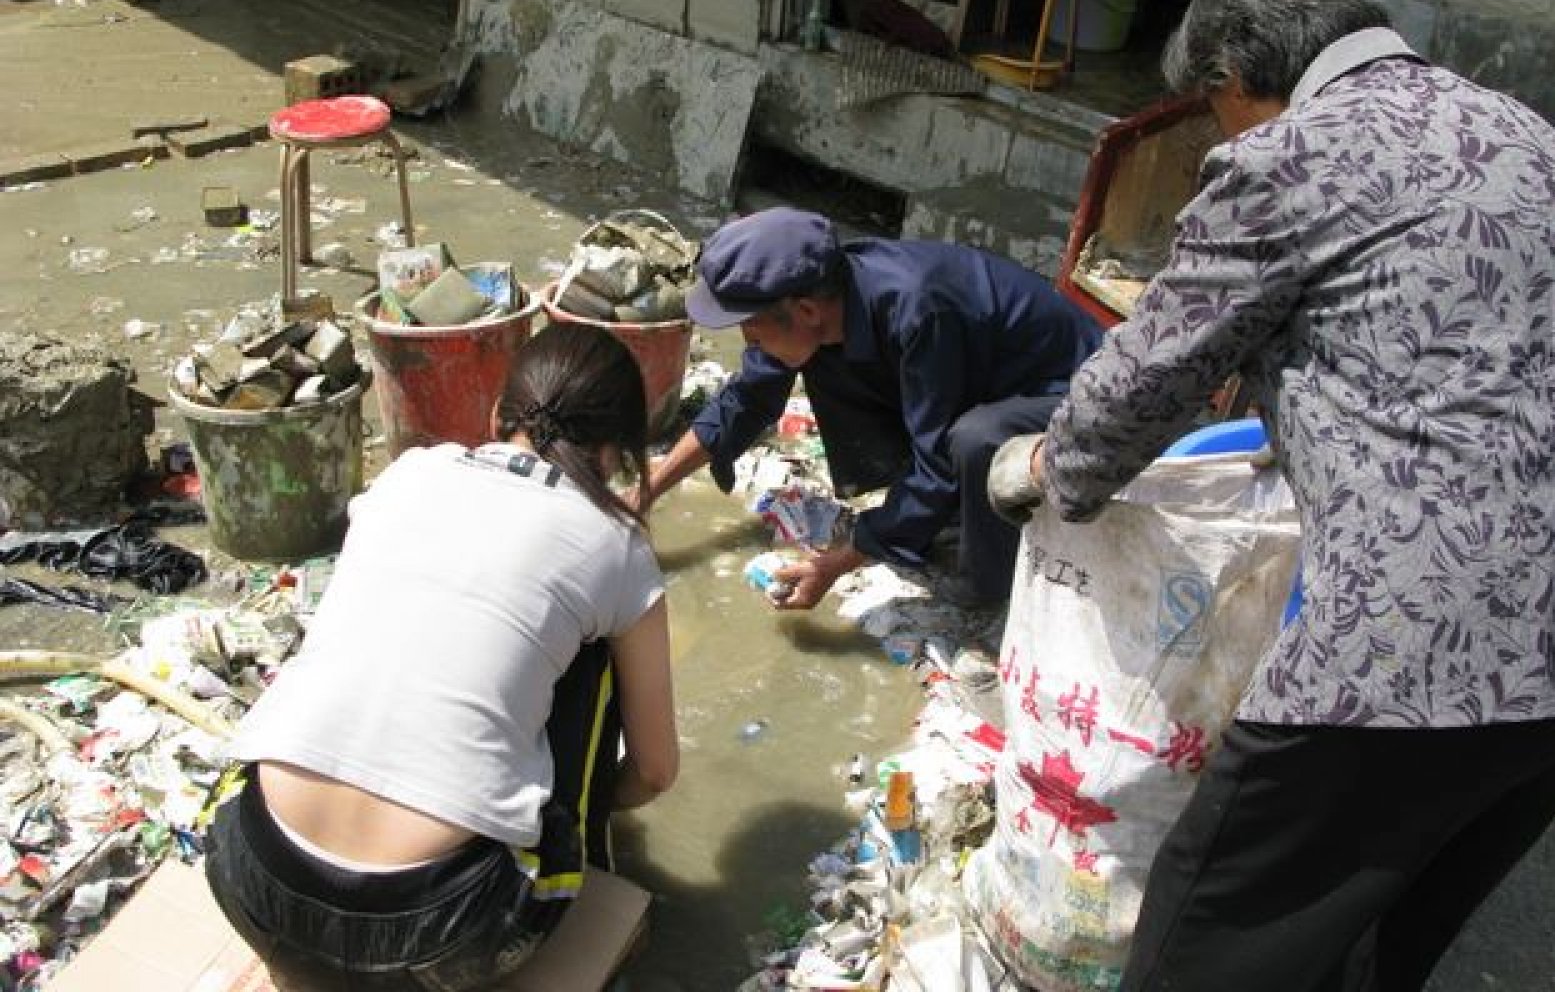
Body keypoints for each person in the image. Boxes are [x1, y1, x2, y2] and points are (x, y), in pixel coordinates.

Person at [1000, 0, 1555, 990]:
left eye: (1211, 110)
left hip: (1409, 648)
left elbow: (1148, 376)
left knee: (1203, 935)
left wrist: (1052, 468)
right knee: (1375, 941)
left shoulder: (1289, 155)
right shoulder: (1534, 138)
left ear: (1234, 77)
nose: (1218, 133)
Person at [204, 323, 678, 990]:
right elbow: (655, 771)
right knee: (593, 662)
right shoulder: (617, 545)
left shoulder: (411, 473)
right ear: (618, 452)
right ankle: (580, 859)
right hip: (444, 938)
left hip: (250, 881)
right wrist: (590, 804)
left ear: (498, 414)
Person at [649, 206, 1104, 612]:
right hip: (979, 381)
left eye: (751, 332)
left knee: (974, 441)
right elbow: (747, 397)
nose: (749, 343)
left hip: (1076, 398)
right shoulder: (824, 303)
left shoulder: (918, 311)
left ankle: (988, 587)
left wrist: (837, 563)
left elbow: (939, 462)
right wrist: (647, 491)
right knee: (825, 364)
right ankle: (928, 514)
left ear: (806, 311)